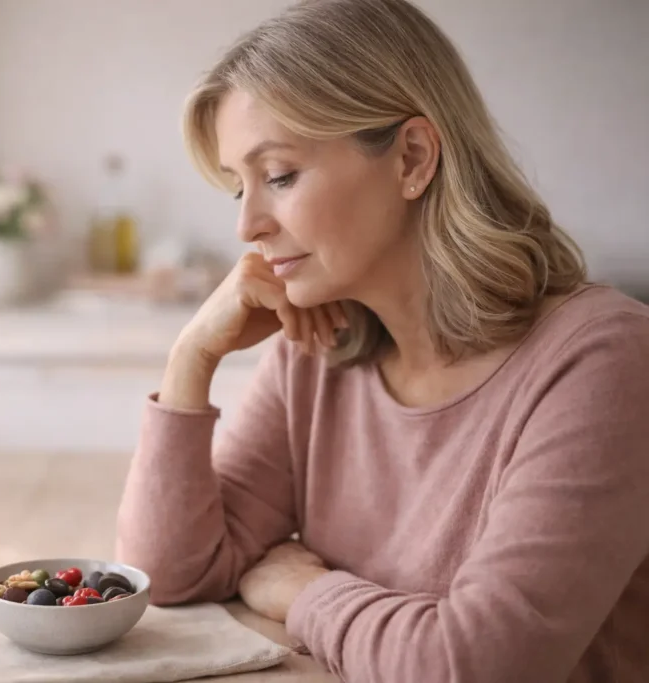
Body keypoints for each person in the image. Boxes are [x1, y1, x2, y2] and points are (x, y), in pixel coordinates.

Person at [114, 0, 649, 681]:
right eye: (236, 189)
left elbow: (474, 666)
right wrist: (191, 358)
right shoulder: (318, 348)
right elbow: (168, 574)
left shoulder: (603, 362)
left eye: (278, 175)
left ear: (413, 158)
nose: (248, 224)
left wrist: (302, 591)